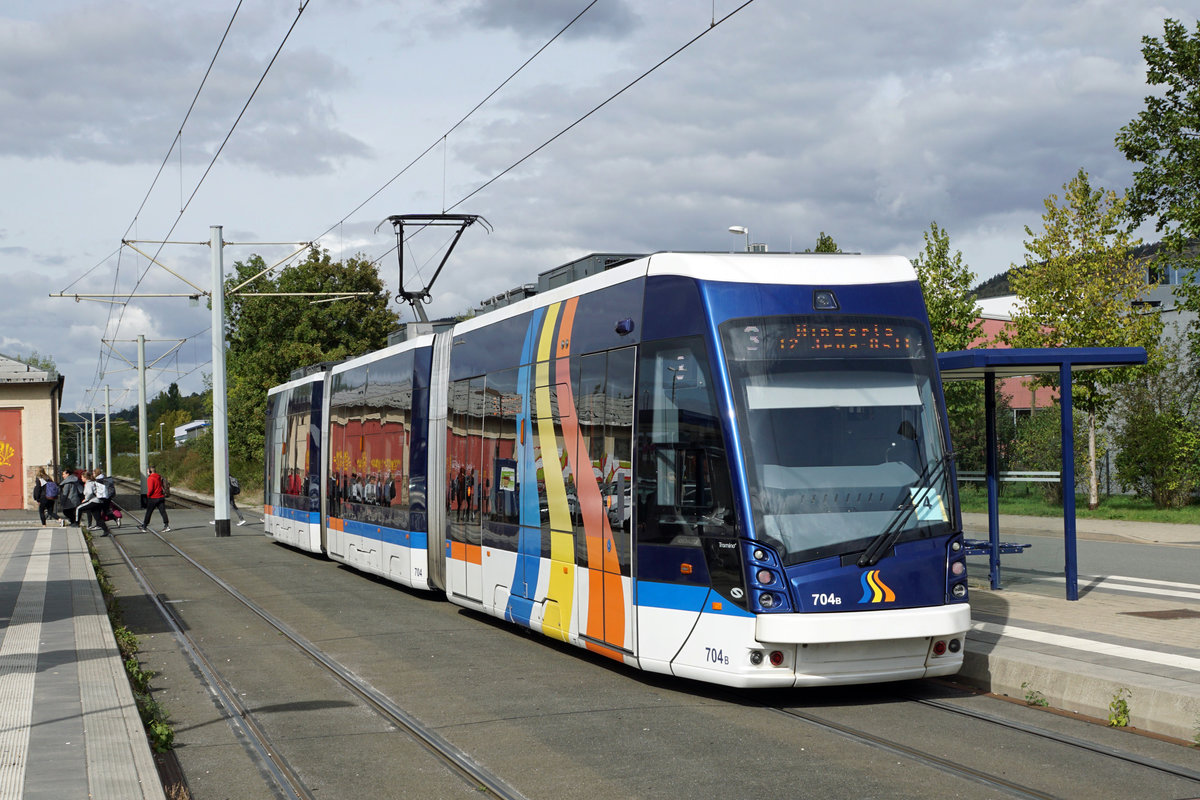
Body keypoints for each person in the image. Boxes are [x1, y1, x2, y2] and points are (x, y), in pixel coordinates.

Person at [77, 471, 112, 537]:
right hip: (98, 501)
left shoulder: (88, 484)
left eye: (82, 477)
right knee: (98, 518)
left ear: (85, 478)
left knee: (78, 508)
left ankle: (76, 524)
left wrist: (85, 500)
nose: (81, 478)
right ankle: (106, 531)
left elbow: (90, 493)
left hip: (93, 501)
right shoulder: (93, 482)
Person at [141, 465, 171, 532]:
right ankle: (166, 526)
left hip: (153, 498)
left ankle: (144, 526)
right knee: (163, 512)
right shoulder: (159, 477)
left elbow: (151, 489)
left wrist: (148, 495)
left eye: (147, 471)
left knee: (149, 512)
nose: (147, 472)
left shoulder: (150, 478)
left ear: (150, 471)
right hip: (161, 497)